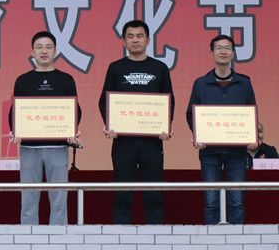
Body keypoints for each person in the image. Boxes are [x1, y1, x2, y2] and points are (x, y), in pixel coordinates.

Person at [99, 20, 174, 224]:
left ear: (148, 40)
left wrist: (165, 126)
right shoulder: (116, 68)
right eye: (130, 36)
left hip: (152, 142)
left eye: (139, 36)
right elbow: (104, 101)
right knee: (123, 193)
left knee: (154, 193)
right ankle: (121, 237)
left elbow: (169, 100)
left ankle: (156, 236)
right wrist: (110, 125)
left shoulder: (159, 67)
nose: (135, 40)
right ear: (124, 41)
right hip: (123, 142)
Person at [9, 31, 81, 225]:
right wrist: (15, 130)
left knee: (59, 199)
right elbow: (15, 111)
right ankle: (28, 236)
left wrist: (72, 130)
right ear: (32, 52)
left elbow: (75, 110)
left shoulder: (66, 79)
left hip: (57, 147)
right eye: (39, 47)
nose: (44, 51)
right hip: (29, 148)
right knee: (28, 198)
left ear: (55, 51)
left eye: (48, 47)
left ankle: (58, 237)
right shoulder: (23, 80)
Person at [187, 34, 257, 224]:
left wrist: (252, 136)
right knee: (211, 200)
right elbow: (191, 114)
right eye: (219, 48)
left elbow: (251, 111)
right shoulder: (201, 83)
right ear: (211, 53)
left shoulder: (244, 83)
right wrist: (198, 135)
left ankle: (237, 237)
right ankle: (212, 237)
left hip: (237, 151)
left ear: (233, 53)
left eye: (227, 48)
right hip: (209, 151)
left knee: (237, 200)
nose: (223, 51)